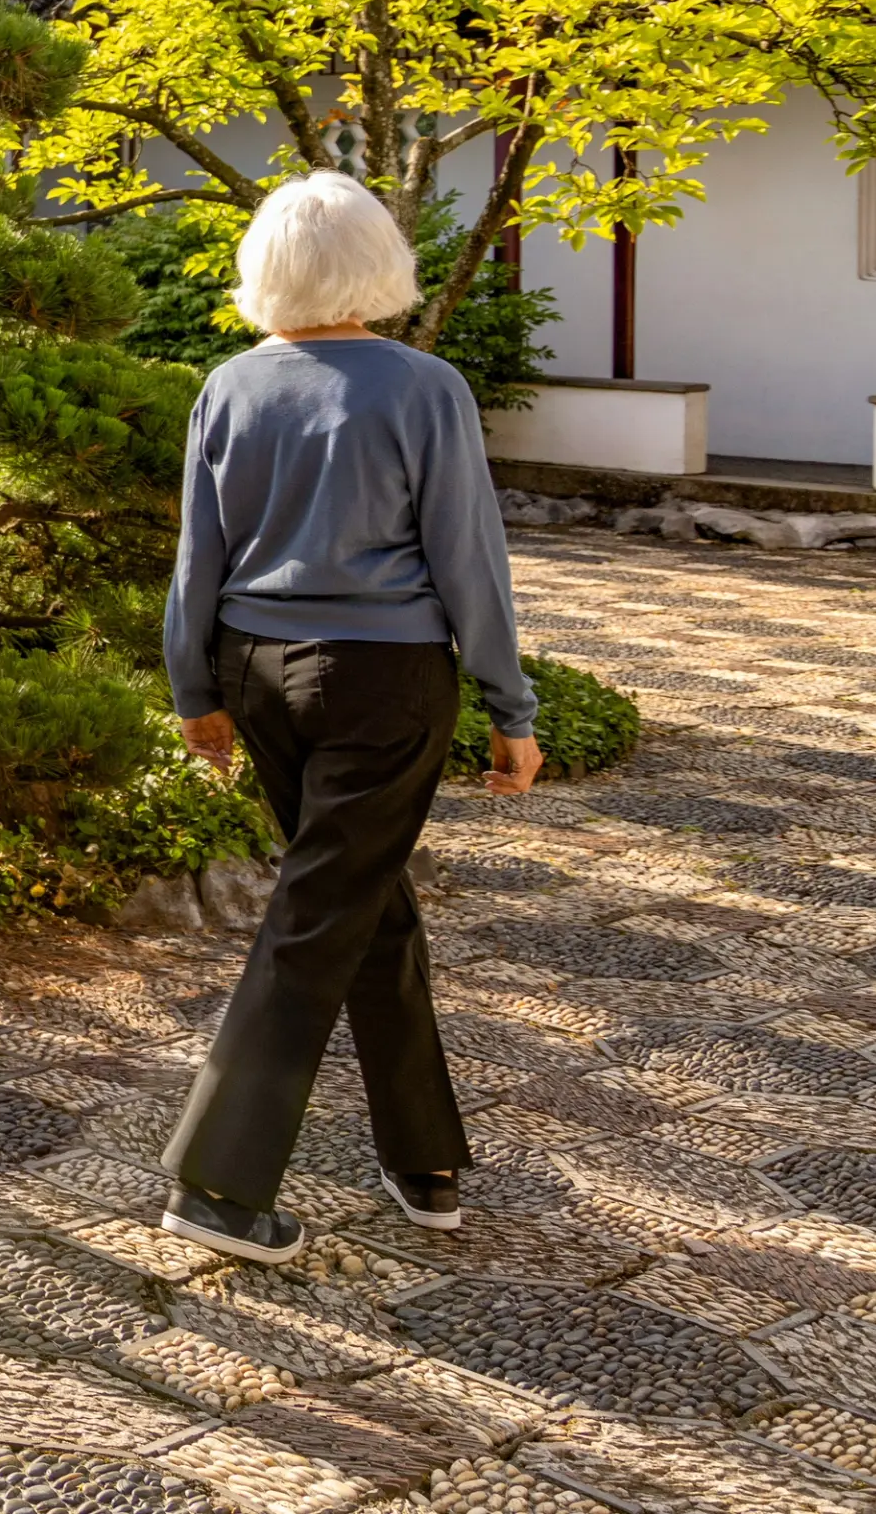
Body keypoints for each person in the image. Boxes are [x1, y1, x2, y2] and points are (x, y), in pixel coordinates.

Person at [158, 171, 543, 1266]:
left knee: (360, 896)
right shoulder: (424, 387)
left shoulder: (230, 386)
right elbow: (471, 559)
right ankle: (218, 1181)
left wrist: (195, 691)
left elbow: (197, 557)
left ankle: (423, 1156)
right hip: (384, 681)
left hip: (258, 673)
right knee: (322, 908)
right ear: (379, 262)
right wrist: (511, 706)